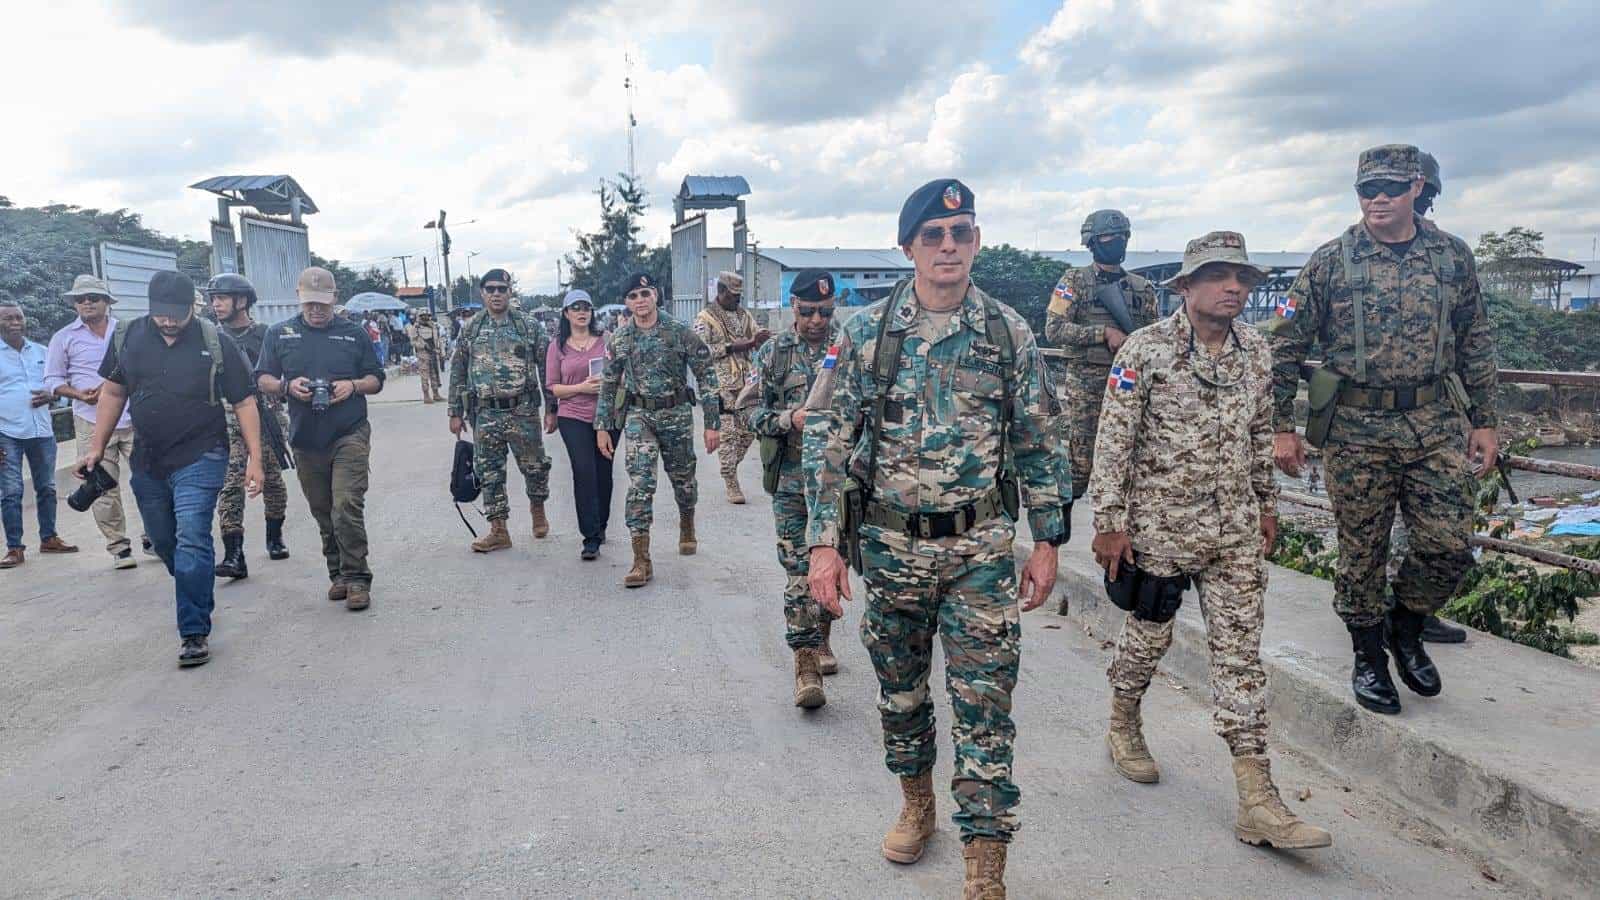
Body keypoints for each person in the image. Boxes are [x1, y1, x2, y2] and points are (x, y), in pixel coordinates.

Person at [805, 180, 1069, 896]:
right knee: (902, 696)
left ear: (976, 241)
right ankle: (917, 803)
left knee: (986, 705)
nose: (948, 245)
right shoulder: (865, 333)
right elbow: (829, 441)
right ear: (909, 249)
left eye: (961, 231)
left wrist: (1048, 539)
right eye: (933, 235)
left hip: (979, 553)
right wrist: (822, 545)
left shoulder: (1007, 332)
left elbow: (1042, 438)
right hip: (890, 555)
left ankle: (986, 866)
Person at [1090, 231, 1332, 851]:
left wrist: (1267, 505)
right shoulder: (1145, 351)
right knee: (1149, 637)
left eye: (1241, 279)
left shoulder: (1256, 352)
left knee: (1240, 659)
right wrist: (1110, 523)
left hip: (1234, 534)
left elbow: (1260, 434)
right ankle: (1123, 721)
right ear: (1186, 286)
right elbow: (1115, 439)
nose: (1233, 289)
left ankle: (1257, 798)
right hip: (1161, 529)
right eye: (1219, 276)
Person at [1267, 145, 1498, 715]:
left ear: (1417, 187)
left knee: (1448, 545)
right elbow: (1284, 346)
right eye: (1366, 189)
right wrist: (1281, 428)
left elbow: (1475, 339)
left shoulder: (1451, 257)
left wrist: (1486, 420)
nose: (1377, 199)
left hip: (1435, 424)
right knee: (1362, 552)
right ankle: (1368, 653)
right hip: (1355, 430)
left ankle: (1406, 625)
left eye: (1390, 188)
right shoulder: (1331, 261)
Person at [82, 271, 261, 666]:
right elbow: (113, 391)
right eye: (161, 314)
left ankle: (194, 631)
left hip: (203, 453)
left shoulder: (215, 342)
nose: (168, 322)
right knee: (165, 542)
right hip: (148, 458)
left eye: (176, 314)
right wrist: (96, 447)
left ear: (191, 309)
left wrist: (255, 460)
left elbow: (245, 402)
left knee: (193, 536)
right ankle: (196, 589)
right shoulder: (129, 336)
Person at [739, 269, 841, 709]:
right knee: (799, 570)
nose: (816, 320)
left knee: (834, 566)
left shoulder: (851, 348)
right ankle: (805, 662)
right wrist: (787, 420)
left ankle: (822, 639)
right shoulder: (774, 353)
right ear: (793, 309)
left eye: (824, 311)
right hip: (792, 480)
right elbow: (747, 412)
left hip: (840, 483)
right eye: (807, 311)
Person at [256, 266, 386, 611]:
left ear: (334, 299)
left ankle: (358, 577)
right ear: (299, 299)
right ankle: (338, 573)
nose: (316, 310)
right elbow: (263, 378)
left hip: (349, 431)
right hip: (305, 436)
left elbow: (376, 378)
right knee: (323, 510)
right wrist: (287, 386)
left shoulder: (353, 333)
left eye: (323, 304)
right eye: (309, 303)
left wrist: (353, 386)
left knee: (346, 505)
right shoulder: (279, 334)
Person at [594, 273, 720, 589]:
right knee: (640, 484)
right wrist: (602, 427)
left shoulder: (679, 332)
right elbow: (608, 385)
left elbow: (706, 374)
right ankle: (641, 559)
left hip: (675, 414)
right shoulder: (620, 339)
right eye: (633, 295)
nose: (640, 300)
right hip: (640, 417)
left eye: (645, 294)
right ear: (627, 302)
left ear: (656, 296)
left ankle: (687, 521)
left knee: (683, 480)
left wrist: (712, 424)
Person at [1044, 210, 1160, 504]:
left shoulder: (1141, 288)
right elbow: (1054, 329)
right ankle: (1055, 538)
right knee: (1079, 465)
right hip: (1087, 384)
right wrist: (1102, 333)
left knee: (1131, 461)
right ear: (1092, 242)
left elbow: (1155, 337)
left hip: (1131, 382)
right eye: (1110, 237)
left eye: (1123, 236)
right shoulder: (1074, 281)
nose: (1117, 242)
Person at [447, 269, 554, 552]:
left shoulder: (528, 326)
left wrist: (551, 408)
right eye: (490, 289)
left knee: (534, 466)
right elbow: (458, 370)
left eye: (501, 289)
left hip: (523, 409)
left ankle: (537, 508)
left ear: (510, 292)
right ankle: (498, 529)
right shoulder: (471, 328)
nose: (496, 294)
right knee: (489, 471)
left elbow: (546, 369)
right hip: (485, 413)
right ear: (482, 293)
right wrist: (454, 412)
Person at [45, 275, 135, 568]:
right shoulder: (64, 337)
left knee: (152, 479)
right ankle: (119, 547)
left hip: (135, 417)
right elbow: (53, 381)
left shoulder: (126, 331)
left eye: (93, 297)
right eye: (80, 299)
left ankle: (154, 537)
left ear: (107, 302)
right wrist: (78, 394)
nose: (86, 303)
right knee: (102, 485)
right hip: (90, 420)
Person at [206, 273, 290, 579]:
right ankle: (234, 554)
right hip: (226, 417)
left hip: (264, 414)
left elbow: (280, 375)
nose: (216, 304)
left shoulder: (266, 334)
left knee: (270, 478)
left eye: (222, 298)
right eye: (213, 298)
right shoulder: (210, 337)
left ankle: (274, 535)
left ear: (241, 301)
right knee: (229, 482)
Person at [2, 303, 79, 569]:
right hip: (6, 433)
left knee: (46, 487)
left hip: (42, 431)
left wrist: (53, 395)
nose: (14, 322)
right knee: (11, 491)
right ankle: (14, 547)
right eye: (7, 318)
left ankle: (49, 538)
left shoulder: (41, 352)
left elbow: (57, 383)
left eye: (18, 317)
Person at [545, 289, 617, 560]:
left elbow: (618, 373)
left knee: (603, 473)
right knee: (584, 471)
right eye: (575, 307)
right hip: (573, 415)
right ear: (566, 313)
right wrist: (581, 387)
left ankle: (601, 524)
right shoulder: (557, 346)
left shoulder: (606, 340)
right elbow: (552, 387)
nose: (581, 311)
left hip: (606, 415)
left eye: (586, 307)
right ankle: (590, 536)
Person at [693, 271, 768, 504]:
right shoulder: (705, 318)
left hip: (746, 384)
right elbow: (702, 350)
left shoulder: (743, 315)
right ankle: (731, 482)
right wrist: (737, 346)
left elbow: (756, 336)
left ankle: (730, 466)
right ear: (721, 291)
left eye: (739, 295)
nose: (737, 299)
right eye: (733, 295)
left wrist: (762, 339)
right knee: (729, 435)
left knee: (747, 434)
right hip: (721, 385)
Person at [406, 311, 444, 404]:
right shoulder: (416, 327)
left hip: (433, 353)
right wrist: (423, 346)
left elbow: (438, 339)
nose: (426, 317)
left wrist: (440, 351)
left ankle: (436, 394)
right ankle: (426, 396)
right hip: (423, 354)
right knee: (424, 376)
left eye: (427, 315)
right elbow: (413, 342)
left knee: (434, 374)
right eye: (424, 316)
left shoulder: (434, 326)